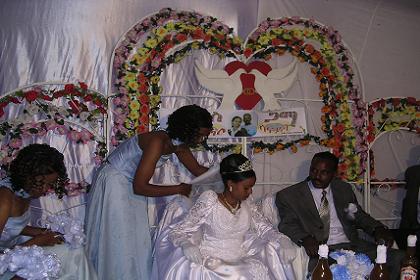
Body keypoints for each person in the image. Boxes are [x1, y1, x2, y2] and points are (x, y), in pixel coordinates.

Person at [85, 104, 213, 280]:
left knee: (136, 238)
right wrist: (179, 189)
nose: (201, 140)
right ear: (187, 129)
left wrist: (228, 174)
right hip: (115, 181)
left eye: (204, 136)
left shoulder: (179, 145)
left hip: (129, 183)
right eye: (199, 135)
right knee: (119, 237)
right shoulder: (158, 141)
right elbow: (140, 187)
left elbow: (198, 169)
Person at [152, 153, 301, 279]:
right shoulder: (210, 199)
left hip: (241, 258)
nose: (250, 192)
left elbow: (264, 228)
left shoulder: (246, 202)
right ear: (230, 184)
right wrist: (186, 244)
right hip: (212, 262)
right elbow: (178, 231)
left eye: (251, 187)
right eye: (246, 188)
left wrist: (283, 240)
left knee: (266, 258)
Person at [275, 151, 405, 279]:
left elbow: (357, 215)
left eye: (324, 172)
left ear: (334, 174)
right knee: (339, 273)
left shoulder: (343, 189)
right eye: (313, 170)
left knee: (399, 258)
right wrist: (305, 238)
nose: (317, 176)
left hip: (353, 245)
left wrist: (378, 228)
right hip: (321, 251)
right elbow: (287, 224)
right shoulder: (289, 196)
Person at [0, 144, 96, 280]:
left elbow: (10, 227)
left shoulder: (24, 192)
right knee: (64, 257)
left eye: (49, 185)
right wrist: (36, 241)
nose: (45, 189)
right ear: (27, 174)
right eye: (41, 182)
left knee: (72, 249)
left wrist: (41, 232)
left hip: (14, 252)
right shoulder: (4, 199)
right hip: (4, 265)